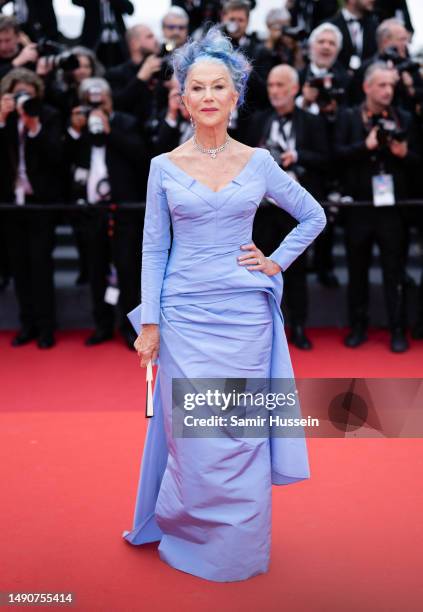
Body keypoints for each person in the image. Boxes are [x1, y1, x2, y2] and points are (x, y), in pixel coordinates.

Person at [122, 26, 326, 582]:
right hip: (184, 314)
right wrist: (151, 323)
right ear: (182, 98)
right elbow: (153, 247)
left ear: (235, 96)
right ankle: (188, 529)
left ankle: (237, 546)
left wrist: (275, 261)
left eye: (218, 86)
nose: (208, 96)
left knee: (236, 432)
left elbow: (314, 215)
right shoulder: (163, 166)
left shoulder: (259, 162)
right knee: (196, 435)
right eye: (196, 87)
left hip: (243, 316)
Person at [334, 62, 421, 352]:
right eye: (381, 85)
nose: (387, 91)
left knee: (393, 271)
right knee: (357, 271)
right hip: (359, 206)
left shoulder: (405, 118)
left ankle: (397, 329)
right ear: (366, 87)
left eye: (391, 86)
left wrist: (404, 153)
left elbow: (419, 163)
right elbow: (336, 155)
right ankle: (357, 326)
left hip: (393, 209)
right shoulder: (348, 117)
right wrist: (365, 146)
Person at [246, 64, 330, 349]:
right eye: (271, 85)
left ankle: (298, 327)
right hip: (263, 212)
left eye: (281, 85)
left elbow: (327, 160)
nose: (275, 91)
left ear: (295, 89)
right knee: (259, 270)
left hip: (295, 212)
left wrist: (299, 156)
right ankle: (264, 329)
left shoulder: (312, 122)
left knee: (294, 272)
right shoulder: (258, 121)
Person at [65, 77, 148, 349]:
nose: (96, 107)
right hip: (92, 212)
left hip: (123, 210)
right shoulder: (80, 129)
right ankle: (102, 325)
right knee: (96, 269)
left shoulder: (125, 122)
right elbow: (64, 160)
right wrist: (77, 132)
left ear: (111, 98)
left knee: (127, 271)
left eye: (101, 100)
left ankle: (130, 328)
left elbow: (141, 156)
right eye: (90, 102)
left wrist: (110, 131)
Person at [0, 67, 63, 348]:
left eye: (29, 93)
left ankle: (46, 327)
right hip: (11, 205)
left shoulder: (48, 116)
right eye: (18, 94)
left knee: (41, 266)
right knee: (19, 267)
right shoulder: (5, 119)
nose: (24, 99)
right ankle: (27, 325)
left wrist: (34, 126)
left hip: (41, 204)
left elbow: (57, 157)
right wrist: (2, 121)